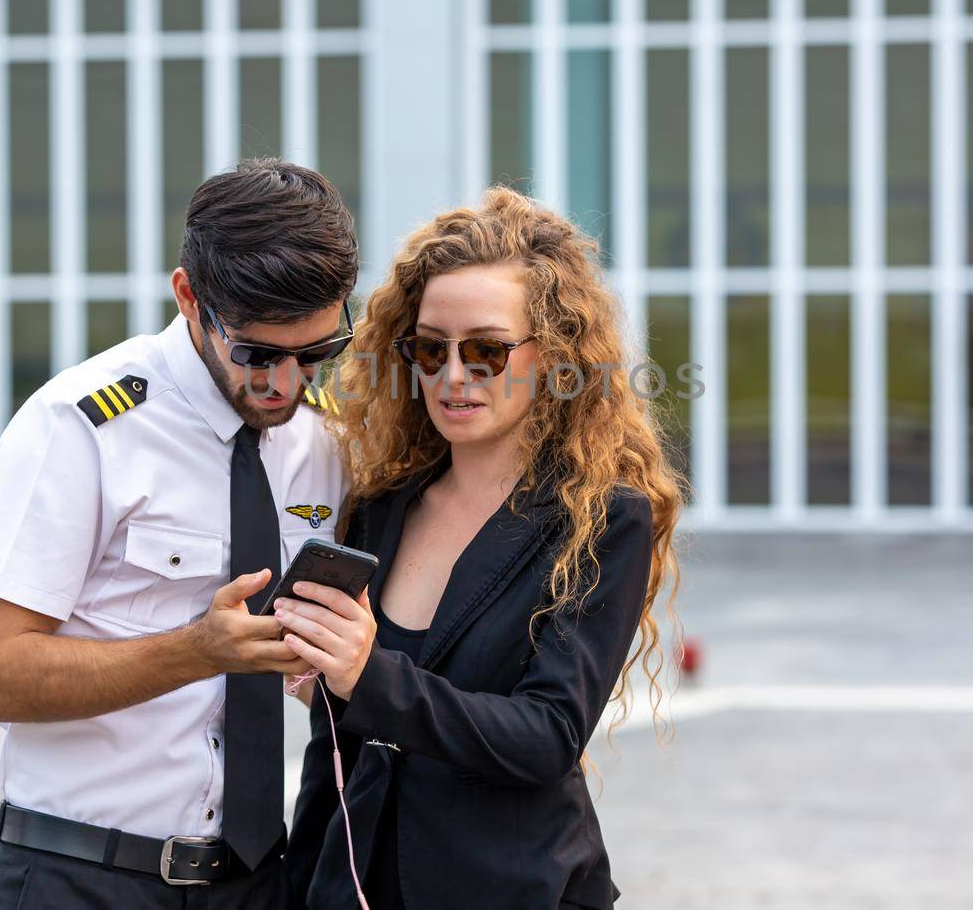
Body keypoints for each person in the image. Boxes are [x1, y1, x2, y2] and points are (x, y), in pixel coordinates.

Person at [0, 159, 357, 908]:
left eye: (315, 354)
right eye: (257, 354)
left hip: (255, 881)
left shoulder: (320, 447)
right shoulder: (81, 427)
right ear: (188, 296)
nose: (286, 383)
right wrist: (193, 652)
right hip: (82, 877)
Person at [279, 187, 683, 909]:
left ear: (552, 354)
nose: (453, 375)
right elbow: (334, 748)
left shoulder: (602, 519)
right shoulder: (381, 506)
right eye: (430, 348)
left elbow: (545, 735)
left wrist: (369, 676)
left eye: (487, 350)